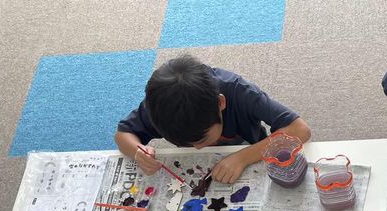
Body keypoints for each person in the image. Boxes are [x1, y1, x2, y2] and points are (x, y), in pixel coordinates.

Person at [115, 54, 312, 184]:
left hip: (250, 148)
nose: (198, 148)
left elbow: (300, 129)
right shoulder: (161, 107)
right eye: (187, 144)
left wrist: (242, 158)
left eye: (203, 139)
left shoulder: (238, 91)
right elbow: (123, 135)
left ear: (221, 103)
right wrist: (138, 152)